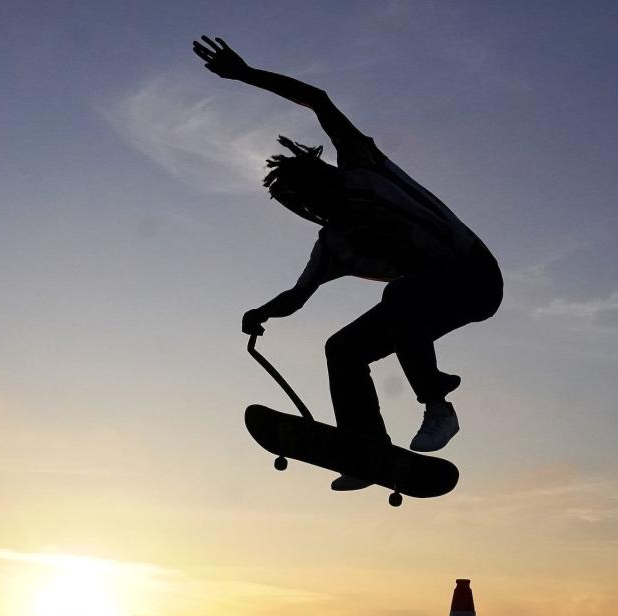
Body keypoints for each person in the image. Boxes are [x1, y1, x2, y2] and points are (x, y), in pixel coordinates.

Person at [193, 36, 503, 489]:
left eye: (314, 195)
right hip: (426, 303)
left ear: (321, 180)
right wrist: (263, 313)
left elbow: (318, 101)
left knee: (399, 294)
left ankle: (437, 405)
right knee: (343, 349)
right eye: (306, 204)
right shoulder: (335, 244)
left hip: (474, 275)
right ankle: (365, 448)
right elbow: (296, 297)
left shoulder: (362, 167)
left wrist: (244, 74)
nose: (317, 208)